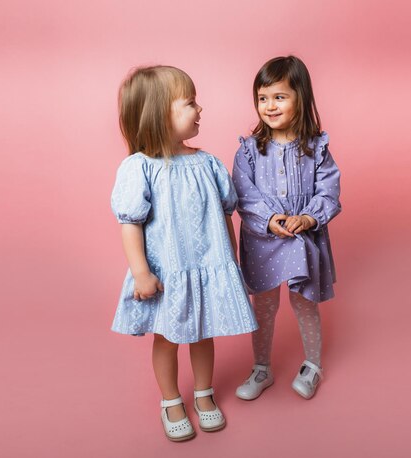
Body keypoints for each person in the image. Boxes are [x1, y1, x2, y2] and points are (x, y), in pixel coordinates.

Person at [111, 65, 257, 441]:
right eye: (190, 103)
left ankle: (204, 394)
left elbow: (225, 215)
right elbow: (131, 223)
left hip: (208, 265)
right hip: (168, 271)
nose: (200, 109)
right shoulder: (140, 168)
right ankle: (171, 399)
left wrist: (230, 264)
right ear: (161, 114)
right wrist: (141, 272)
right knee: (167, 337)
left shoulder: (207, 162)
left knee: (203, 333)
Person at [233, 56, 341, 401]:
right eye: (263, 98)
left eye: (279, 97)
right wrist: (267, 218)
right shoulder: (249, 151)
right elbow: (243, 193)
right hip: (263, 240)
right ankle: (261, 367)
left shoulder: (316, 148)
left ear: (301, 98)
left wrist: (309, 217)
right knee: (263, 306)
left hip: (302, 239)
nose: (269, 106)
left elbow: (329, 190)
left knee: (304, 303)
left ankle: (312, 364)